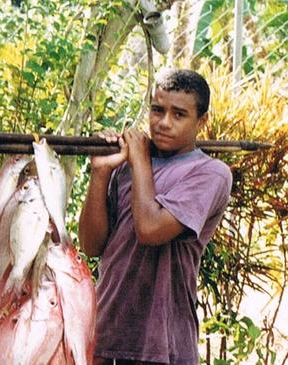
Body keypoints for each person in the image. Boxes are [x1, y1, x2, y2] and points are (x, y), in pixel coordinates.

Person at [79, 68, 232, 365]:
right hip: (106, 332)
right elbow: (92, 245)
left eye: (179, 115)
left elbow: (149, 229)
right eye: (157, 110)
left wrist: (138, 160)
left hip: (163, 344)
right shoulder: (124, 167)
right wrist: (100, 173)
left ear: (202, 121)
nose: (163, 123)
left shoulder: (210, 174)